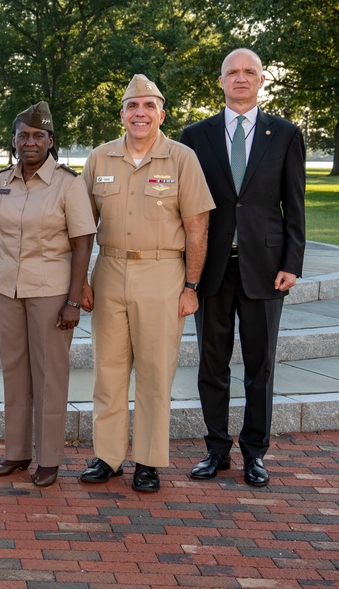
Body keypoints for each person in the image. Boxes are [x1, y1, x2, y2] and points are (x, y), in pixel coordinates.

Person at [79, 74, 214, 492]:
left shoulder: (182, 158)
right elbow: (82, 226)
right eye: (132, 106)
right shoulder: (99, 159)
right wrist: (81, 281)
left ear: (161, 113)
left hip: (162, 274)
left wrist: (191, 286)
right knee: (109, 369)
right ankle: (109, 456)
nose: (140, 113)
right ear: (121, 114)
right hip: (110, 270)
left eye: (149, 106)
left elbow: (197, 228)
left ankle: (149, 461)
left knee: (156, 372)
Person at [180, 49, 305, 487]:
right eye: (232, 72)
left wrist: (293, 261)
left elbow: (295, 203)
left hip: (266, 268)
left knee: (261, 365)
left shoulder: (285, 134)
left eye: (249, 72)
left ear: (261, 80)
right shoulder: (195, 136)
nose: (240, 78)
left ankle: (255, 453)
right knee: (211, 364)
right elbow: (185, 208)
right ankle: (216, 450)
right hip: (210, 268)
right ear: (220, 81)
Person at [0, 102, 96, 488]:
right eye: (23, 136)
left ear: (50, 141)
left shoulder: (68, 183)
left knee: (49, 376)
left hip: (51, 292)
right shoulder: (0, 182)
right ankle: (17, 452)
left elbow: (83, 243)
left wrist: (74, 300)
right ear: (13, 141)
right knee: (14, 372)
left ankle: (49, 459)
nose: (30, 142)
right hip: (6, 289)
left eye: (38, 136)